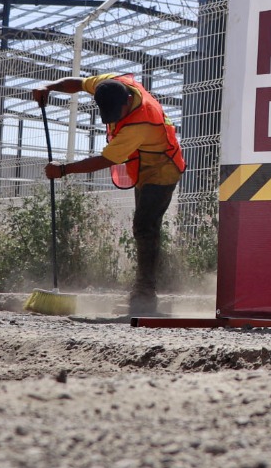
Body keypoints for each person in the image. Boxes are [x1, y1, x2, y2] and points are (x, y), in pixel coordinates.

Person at [31, 72, 185, 316]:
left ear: (126, 103)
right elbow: (79, 83)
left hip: (163, 168)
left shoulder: (141, 122)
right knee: (143, 227)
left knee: (145, 226)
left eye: (117, 115)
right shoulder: (110, 85)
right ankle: (143, 293)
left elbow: (106, 159)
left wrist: (63, 170)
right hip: (142, 162)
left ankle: (145, 297)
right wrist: (49, 85)